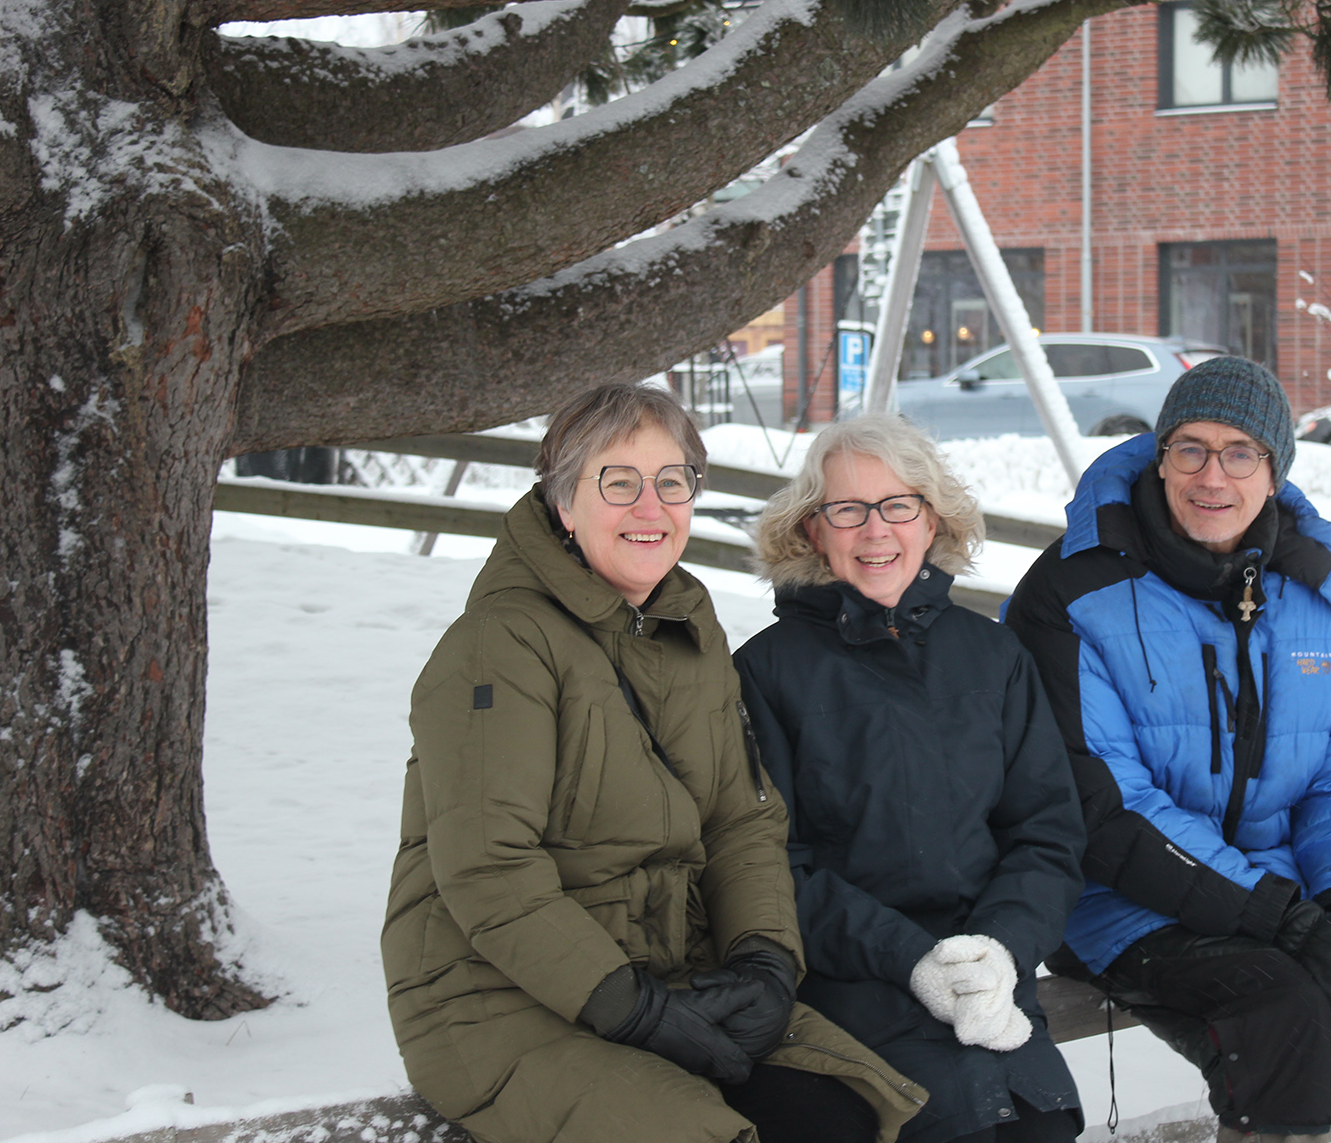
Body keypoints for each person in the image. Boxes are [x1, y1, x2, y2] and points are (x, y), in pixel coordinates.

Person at [382, 383, 926, 1143]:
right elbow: (488, 868)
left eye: (672, 482)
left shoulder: (687, 630)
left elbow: (743, 822)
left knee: (838, 1112)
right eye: (619, 481)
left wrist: (765, 961)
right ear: (564, 503)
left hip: (670, 968)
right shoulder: (500, 645)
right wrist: (626, 1004)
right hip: (497, 990)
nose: (651, 506)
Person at [1004, 359, 1331, 1143]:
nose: (1212, 475)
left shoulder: (1320, 594)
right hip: (1117, 894)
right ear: (1160, 457)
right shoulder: (1073, 594)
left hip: (1288, 896)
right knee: (1281, 1015)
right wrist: (1288, 924)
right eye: (1190, 449)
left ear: (1274, 470)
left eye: (1241, 452)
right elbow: (1103, 805)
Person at [733, 416, 1087, 1143]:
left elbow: (1045, 832)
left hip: (991, 977)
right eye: (847, 509)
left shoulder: (994, 656)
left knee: (1038, 1126)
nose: (875, 530)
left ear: (933, 521)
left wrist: (1001, 949)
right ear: (811, 530)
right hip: (854, 984)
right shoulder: (766, 672)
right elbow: (771, 868)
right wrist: (911, 958)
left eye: (899, 505)